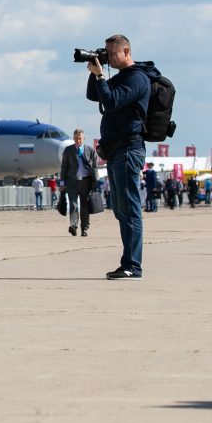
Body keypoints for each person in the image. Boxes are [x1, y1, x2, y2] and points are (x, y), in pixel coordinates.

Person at [86, 33, 156, 280]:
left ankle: (133, 266)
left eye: (112, 54)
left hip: (129, 149)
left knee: (130, 208)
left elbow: (111, 100)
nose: (110, 58)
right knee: (121, 209)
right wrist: (95, 71)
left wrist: (101, 76)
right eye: (107, 54)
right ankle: (128, 263)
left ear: (127, 52)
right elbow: (95, 96)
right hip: (117, 151)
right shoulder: (120, 77)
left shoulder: (137, 78)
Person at [60, 128, 98, 237]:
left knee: (85, 206)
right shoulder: (68, 150)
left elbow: (95, 168)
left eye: (80, 139)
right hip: (72, 181)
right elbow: (64, 167)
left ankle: (84, 228)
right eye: (76, 139)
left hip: (86, 182)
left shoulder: (91, 151)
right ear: (73, 138)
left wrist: (95, 182)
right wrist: (62, 183)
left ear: (84, 138)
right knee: (73, 204)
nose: (78, 141)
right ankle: (73, 226)